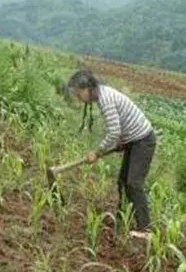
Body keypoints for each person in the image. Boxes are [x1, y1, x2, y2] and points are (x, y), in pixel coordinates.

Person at [67, 69, 157, 241]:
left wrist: (97, 152)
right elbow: (119, 128)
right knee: (122, 181)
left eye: (79, 93)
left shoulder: (106, 99)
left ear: (88, 88)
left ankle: (146, 230)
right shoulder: (103, 95)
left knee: (134, 182)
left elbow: (114, 131)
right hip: (132, 141)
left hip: (143, 141)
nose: (78, 98)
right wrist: (121, 142)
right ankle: (124, 219)